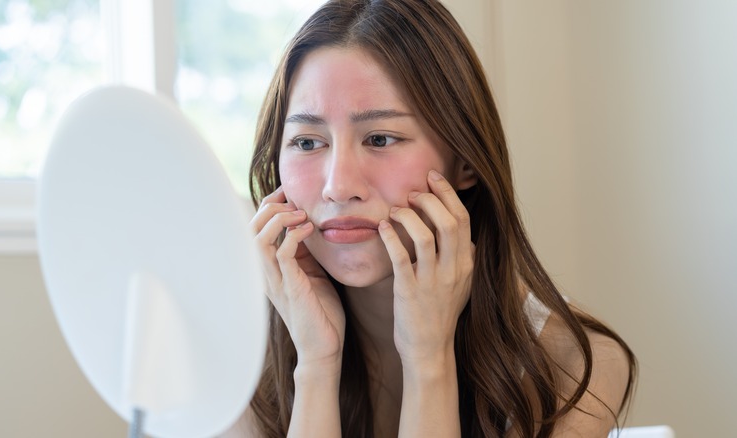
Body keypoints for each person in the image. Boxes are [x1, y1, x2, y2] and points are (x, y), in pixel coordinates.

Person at [234, 0, 637, 436]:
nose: (338, 185)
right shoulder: (239, 362)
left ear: (464, 161)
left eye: (380, 138)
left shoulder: (575, 366)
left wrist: (428, 360)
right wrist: (316, 364)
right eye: (308, 143)